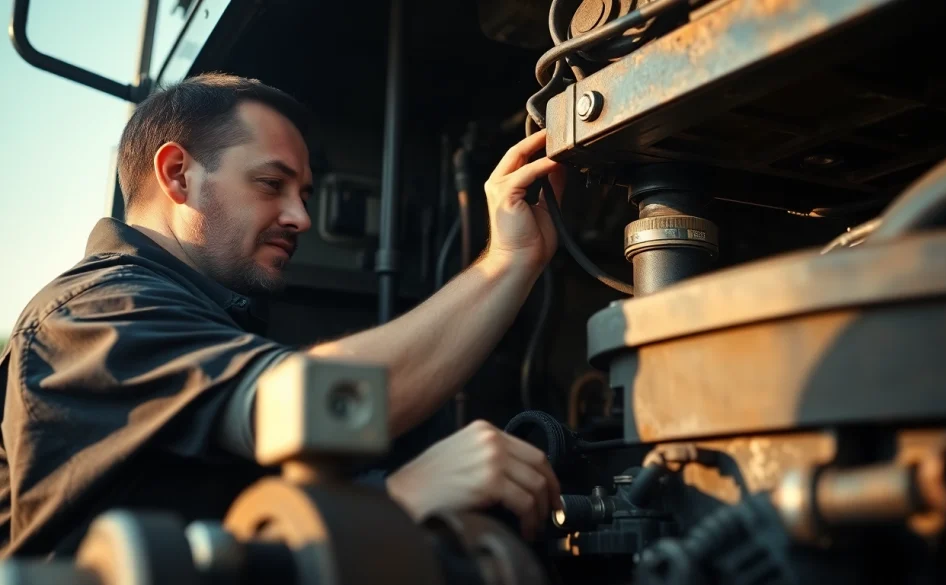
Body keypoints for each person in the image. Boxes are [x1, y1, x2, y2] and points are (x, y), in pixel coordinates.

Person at [0, 73, 566, 558]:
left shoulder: (198, 317)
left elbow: (215, 524)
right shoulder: (95, 314)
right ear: (177, 174)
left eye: (304, 194)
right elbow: (317, 403)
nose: (300, 217)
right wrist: (393, 501)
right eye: (272, 184)